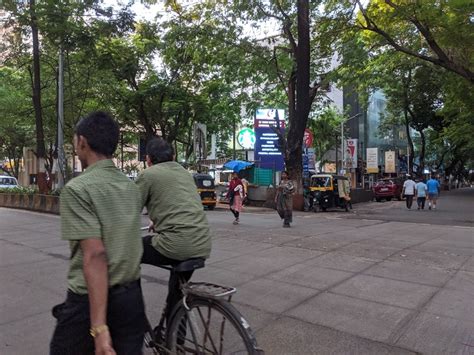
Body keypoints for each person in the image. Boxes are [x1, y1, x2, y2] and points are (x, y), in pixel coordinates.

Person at [50, 112, 146, 355]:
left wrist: (99, 328)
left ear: (82, 142)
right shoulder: (130, 187)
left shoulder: (77, 190)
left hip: (87, 304)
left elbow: (95, 255)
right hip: (132, 301)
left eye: (74, 142)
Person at [135, 137, 211, 324]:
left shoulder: (148, 175)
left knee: (129, 252)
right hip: (202, 243)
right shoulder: (185, 173)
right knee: (177, 295)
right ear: (173, 156)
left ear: (148, 159)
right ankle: (174, 341)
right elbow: (179, 206)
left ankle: (134, 312)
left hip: (176, 244)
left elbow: (128, 213)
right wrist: (160, 221)